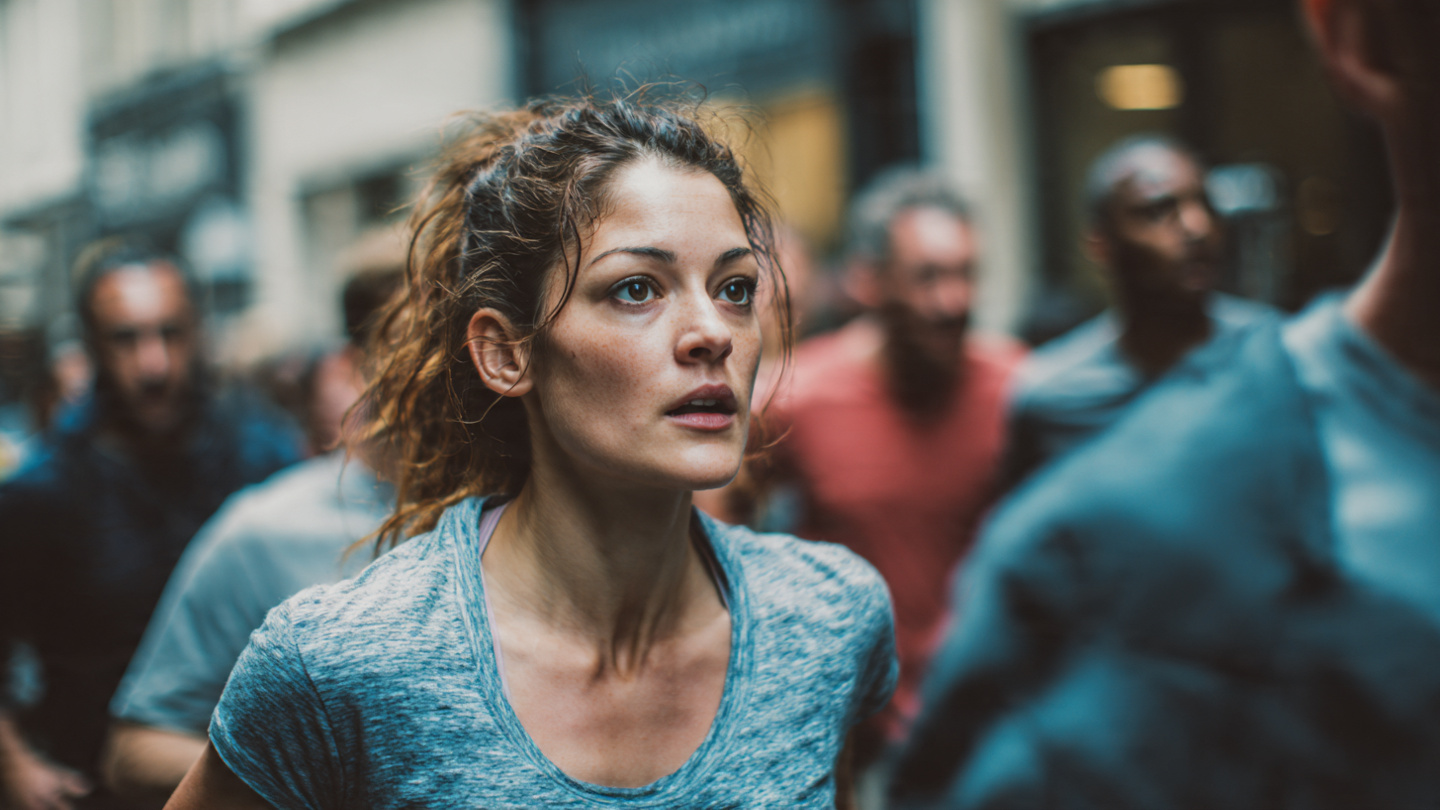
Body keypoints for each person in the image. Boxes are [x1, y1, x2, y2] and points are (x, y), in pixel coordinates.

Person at [163, 95, 898, 809]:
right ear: (507, 353)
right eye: (638, 289)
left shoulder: (826, 619)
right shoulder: (344, 665)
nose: (714, 332)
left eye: (735, 287)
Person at [891, 0, 1440, 807]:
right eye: (1156, 212)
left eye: (1199, 207)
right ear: (1365, 38)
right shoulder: (1070, 449)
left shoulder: (1262, 356)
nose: (1190, 231)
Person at [0, 242, 302, 810]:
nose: (154, 364)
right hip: (96, 787)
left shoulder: (264, 455)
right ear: (90, 346)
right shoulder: (41, 492)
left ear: (199, 332)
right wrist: (13, 763)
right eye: (126, 339)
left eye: (171, 333)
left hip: (248, 790)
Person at [101, 267, 403, 808]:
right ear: (354, 364)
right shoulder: (266, 525)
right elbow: (134, 749)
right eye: (420, 342)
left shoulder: (523, 519)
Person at [762, 168, 1024, 748]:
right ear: (869, 281)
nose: (953, 301)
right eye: (928, 277)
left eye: (965, 275)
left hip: (987, 721)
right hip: (848, 728)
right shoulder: (798, 398)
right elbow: (719, 511)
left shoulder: (1019, 391)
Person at [1002, 136, 1278, 486]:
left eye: (1207, 205)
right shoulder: (1057, 398)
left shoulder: (1267, 353)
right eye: (1158, 211)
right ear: (1101, 246)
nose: (1197, 227)